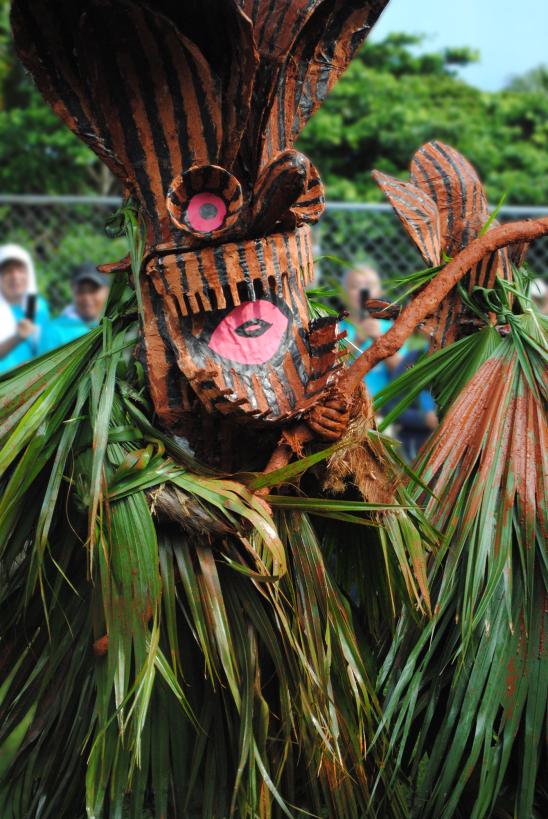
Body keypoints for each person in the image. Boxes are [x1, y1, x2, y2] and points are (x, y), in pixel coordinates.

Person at [341, 264, 404, 397]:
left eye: (369, 285)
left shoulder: (392, 329)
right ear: (344, 294)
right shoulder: (336, 329)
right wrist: (356, 341)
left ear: (379, 293)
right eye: (355, 285)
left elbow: (403, 373)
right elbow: (327, 371)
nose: (363, 291)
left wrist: (380, 340)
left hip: (385, 407)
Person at [0, 243, 50, 375]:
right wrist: (17, 338)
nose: (15, 276)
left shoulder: (39, 307)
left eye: (20, 270)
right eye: (8, 271)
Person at [39, 262, 110, 354]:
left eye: (93, 290)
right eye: (81, 291)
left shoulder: (112, 326)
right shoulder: (54, 332)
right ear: (72, 291)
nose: (87, 298)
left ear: (106, 291)